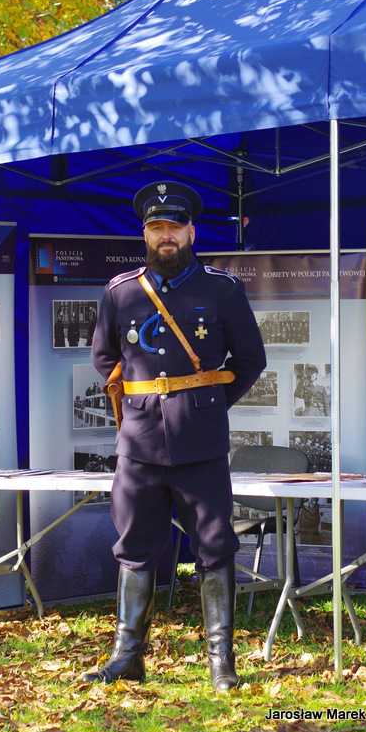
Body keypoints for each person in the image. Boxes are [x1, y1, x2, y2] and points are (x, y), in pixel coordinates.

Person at [82, 181, 266, 691]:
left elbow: (250, 359)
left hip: (200, 444)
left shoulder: (223, 289)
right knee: (134, 548)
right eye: (156, 227)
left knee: (214, 547)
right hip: (139, 444)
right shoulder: (121, 292)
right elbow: (105, 358)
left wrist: (206, 404)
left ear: (191, 231)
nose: (166, 236)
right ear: (145, 234)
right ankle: (127, 656)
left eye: (174, 227)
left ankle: (221, 662)